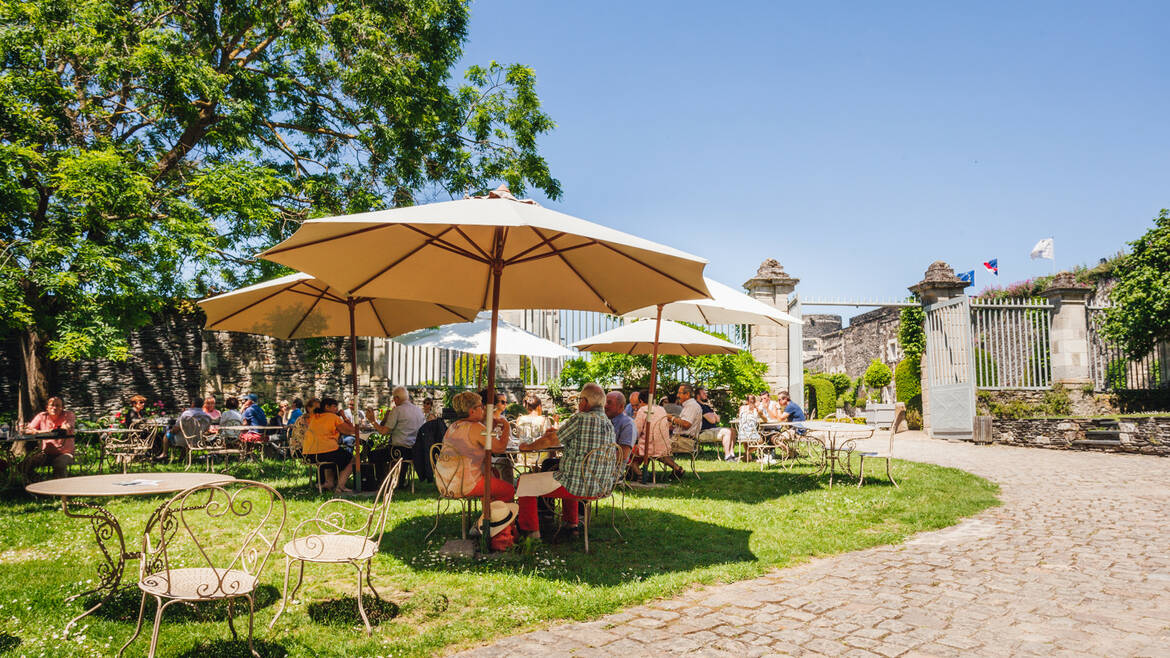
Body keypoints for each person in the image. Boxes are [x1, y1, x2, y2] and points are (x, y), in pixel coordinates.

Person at [514, 383, 616, 541]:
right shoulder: (608, 423)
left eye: (580, 400)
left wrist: (527, 447)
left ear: (585, 401)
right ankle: (571, 525)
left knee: (524, 481)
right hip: (600, 485)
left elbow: (551, 440)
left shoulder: (580, 418)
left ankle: (530, 533)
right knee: (569, 472)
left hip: (577, 486)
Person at [436, 391, 514, 503]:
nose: (483, 408)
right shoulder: (476, 427)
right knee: (508, 490)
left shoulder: (454, 426)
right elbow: (499, 448)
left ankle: (489, 514)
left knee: (494, 474)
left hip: (445, 483)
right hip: (464, 484)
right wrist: (506, 425)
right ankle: (498, 519)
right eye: (481, 406)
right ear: (472, 411)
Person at [365, 386, 426, 485]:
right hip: (415, 451)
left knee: (373, 454)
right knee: (384, 451)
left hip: (399, 450)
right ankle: (397, 481)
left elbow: (383, 432)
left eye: (394, 399)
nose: (393, 401)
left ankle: (383, 482)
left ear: (397, 398)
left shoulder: (397, 410)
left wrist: (372, 421)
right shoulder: (418, 411)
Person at [303, 396, 357, 493]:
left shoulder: (314, 417)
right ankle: (340, 487)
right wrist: (344, 416)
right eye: (334, 406)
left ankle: (329, 483)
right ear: (327, 407)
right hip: (325, 452)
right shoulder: (333, 417)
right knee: (353, 460)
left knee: (333, 455)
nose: (337, 409)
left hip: (309, 454)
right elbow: (350, 431)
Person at [24, 396, 76, 478]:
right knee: (24, 465)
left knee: (59, 464)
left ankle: (60, 488)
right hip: (46, 454)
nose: (54, 408)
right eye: (52, 405)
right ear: (47, 407)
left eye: (57, 405)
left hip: (65, 453)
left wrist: (38, 432)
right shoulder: (42, 416)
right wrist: (32, 430)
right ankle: (38, 483)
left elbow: (63, 430)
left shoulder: (68, 415)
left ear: (62, 408)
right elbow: (28, 430)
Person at [662, 384, 701, 479]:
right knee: (655, 447)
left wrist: (671, 418)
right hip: (681, 439)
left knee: (656, 449)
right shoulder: (689, 405)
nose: (677, 395)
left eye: (679, 393)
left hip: (684, 441)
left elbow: (686, 424)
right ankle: (676, 469)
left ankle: (677, 469)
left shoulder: (691, 406)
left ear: (687, 394)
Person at [725, 394, 765, 461]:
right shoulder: (756, 409)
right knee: (761, 441)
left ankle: (746, 455)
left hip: (741, 434)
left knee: (745, 436)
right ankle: (747, 453)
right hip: (752, 434)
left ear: (747, 401)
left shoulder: (741, 408)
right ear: (754, 401)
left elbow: (740, 417)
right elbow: (761, 419)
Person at [605, 391, 635, 468]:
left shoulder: (627, 424)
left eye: (609, 403)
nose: (605, 405)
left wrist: (598, 458)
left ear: (621, 406)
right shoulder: (604, 420)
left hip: (612, 473)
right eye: (604, 402)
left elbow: (623, 455)